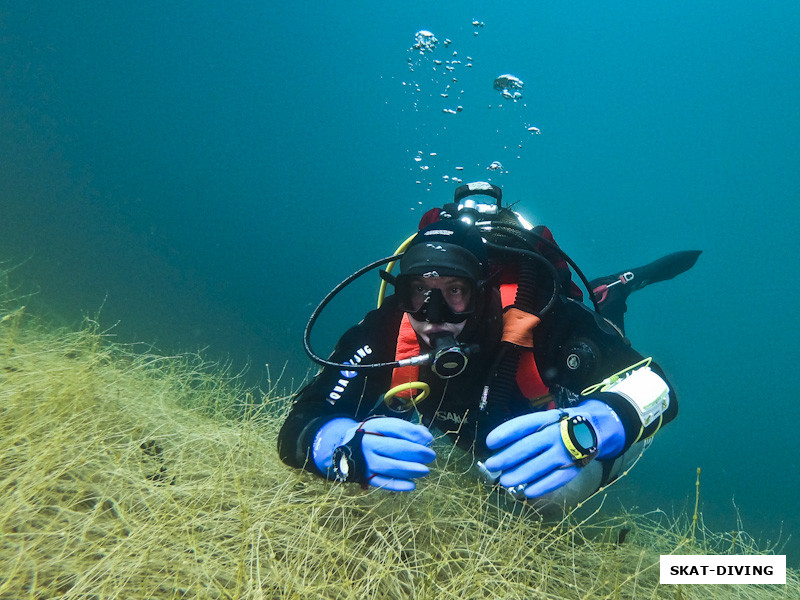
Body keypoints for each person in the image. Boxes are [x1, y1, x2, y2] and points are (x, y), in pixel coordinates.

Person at [278, 182, 700, 511]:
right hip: (477, 432)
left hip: (555, 407)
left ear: (481, 292)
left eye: (455, 290)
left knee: (543, 503)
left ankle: (611, 295)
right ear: (401, 291)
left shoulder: (538, 316)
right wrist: (335, 446)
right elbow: (303, 420)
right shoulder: (386, 328)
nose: (434, 311)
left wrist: (598, 423)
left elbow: (658, 388)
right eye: (419, 291)